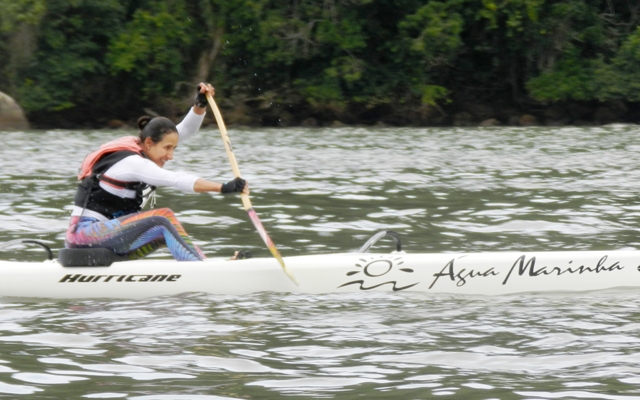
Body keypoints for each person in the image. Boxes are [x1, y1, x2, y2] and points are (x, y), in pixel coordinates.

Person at [65, 83, 247, 261]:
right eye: (167, 148)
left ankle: (201, 265)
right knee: (162, 218)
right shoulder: (132, 162)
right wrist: (223, 187)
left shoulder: (145, 146)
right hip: (84, 237)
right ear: (150, 143)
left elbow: (186, 129)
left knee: (164, 232)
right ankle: (205, 269)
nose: (170, 156)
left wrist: (200, 104)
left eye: (173, 148)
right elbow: (176, 179)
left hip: (108, 238)